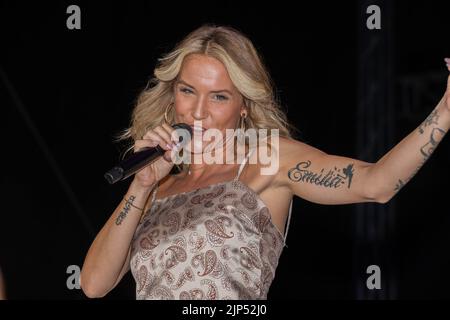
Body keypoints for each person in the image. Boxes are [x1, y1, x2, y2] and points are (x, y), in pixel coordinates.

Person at [80, 25, 450, 299]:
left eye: (219, 97)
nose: (197, 112)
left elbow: (377, 183)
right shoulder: (160, 185)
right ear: (172, 93)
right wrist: (142, 185)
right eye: (188, 90)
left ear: (244, 105)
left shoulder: (266, 158)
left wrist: (446, 111)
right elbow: (94, 284)